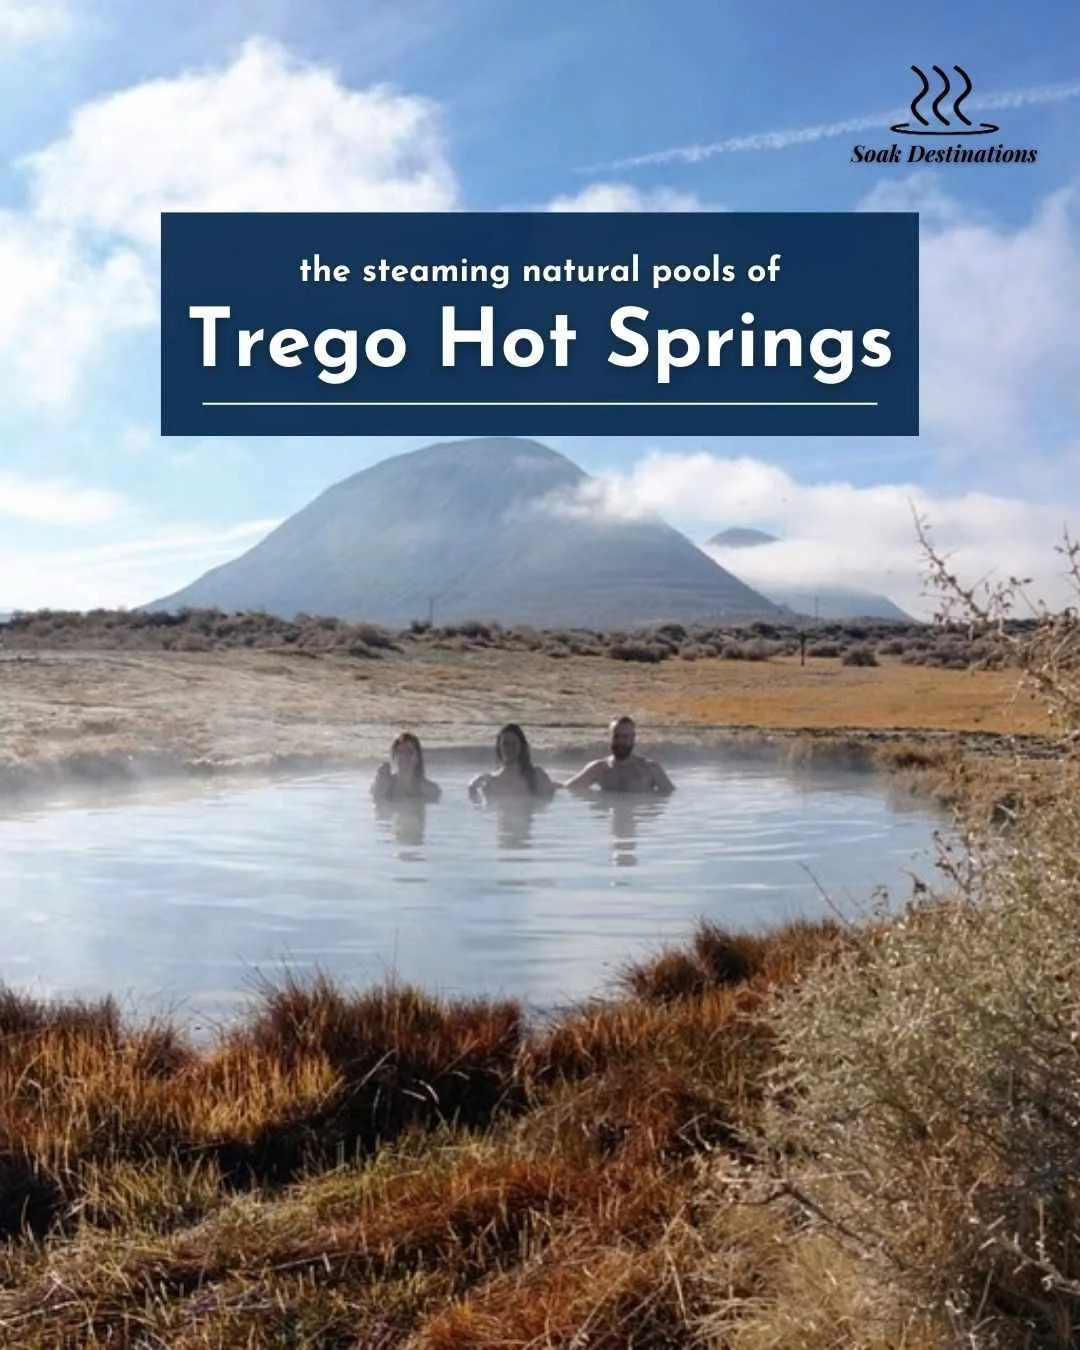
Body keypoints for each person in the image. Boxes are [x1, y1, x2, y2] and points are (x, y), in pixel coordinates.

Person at [561, 715, 675, 795]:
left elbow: (670, 796)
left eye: (625, 737)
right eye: (616, 736)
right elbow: (567, 788)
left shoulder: (650, 769)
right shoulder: (599, 768)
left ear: (633, 738)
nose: (620, 742)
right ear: (610, 737)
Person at [468, 723, 557, 801]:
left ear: (521, 747)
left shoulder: (536, 776)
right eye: (505, 744)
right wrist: (472, 789)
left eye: (514, 743)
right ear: (499, 747)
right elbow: (481, 809)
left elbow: (548, 802)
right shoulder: (490, 782)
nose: (509, 748)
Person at [371, 732, 441, 802]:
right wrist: (381, 786)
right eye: (400, 752)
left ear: (417, 757)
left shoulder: (430, 789)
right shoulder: (386, 784)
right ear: (394, 756)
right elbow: (377, 803)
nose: (404, 756)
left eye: (409, 752)